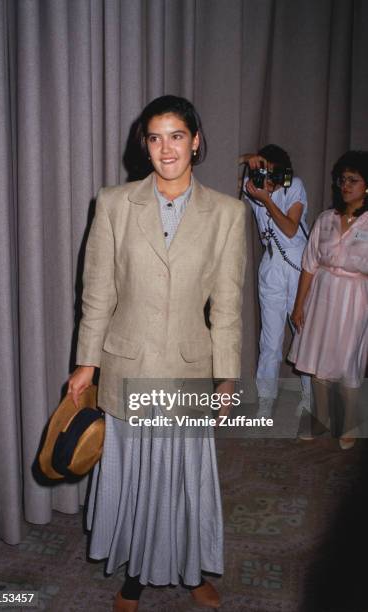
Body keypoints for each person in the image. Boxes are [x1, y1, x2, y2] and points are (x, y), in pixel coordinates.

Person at [68, 95, 246, 611]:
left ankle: (191, 571)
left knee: (184, 483)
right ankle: (133, 581)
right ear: (143, 146)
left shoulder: (228, 214)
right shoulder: (114, 202)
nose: (165, 147)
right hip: (128, 363)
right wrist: (86, 363)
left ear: (195, 141)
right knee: (135, 480)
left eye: (175, 135)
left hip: (188, 369)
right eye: (154, 137)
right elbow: (97, 291)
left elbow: (229, 305)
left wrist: (228, 376)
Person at [289, 150, 368, 450]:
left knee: (349, 361)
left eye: (353, 180)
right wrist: (299, 306)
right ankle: (320, 420)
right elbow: (309, 264)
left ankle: (350, 424)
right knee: (319, 361)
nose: (345, 185)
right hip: (322, 295)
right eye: (342, 180)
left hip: (356, 299)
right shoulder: (326, 219)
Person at [240, 145, 311, 417]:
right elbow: (228, 165)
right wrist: (248, 160)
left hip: (296, 264)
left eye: (271, 171)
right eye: (262, 169)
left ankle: (309, 395)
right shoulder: (254, 188)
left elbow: (291, 230)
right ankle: (266, 399)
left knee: (301, 331)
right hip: (270, 265)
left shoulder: (295, 186)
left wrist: (268, 200)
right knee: (269, 340)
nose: (266, 176)